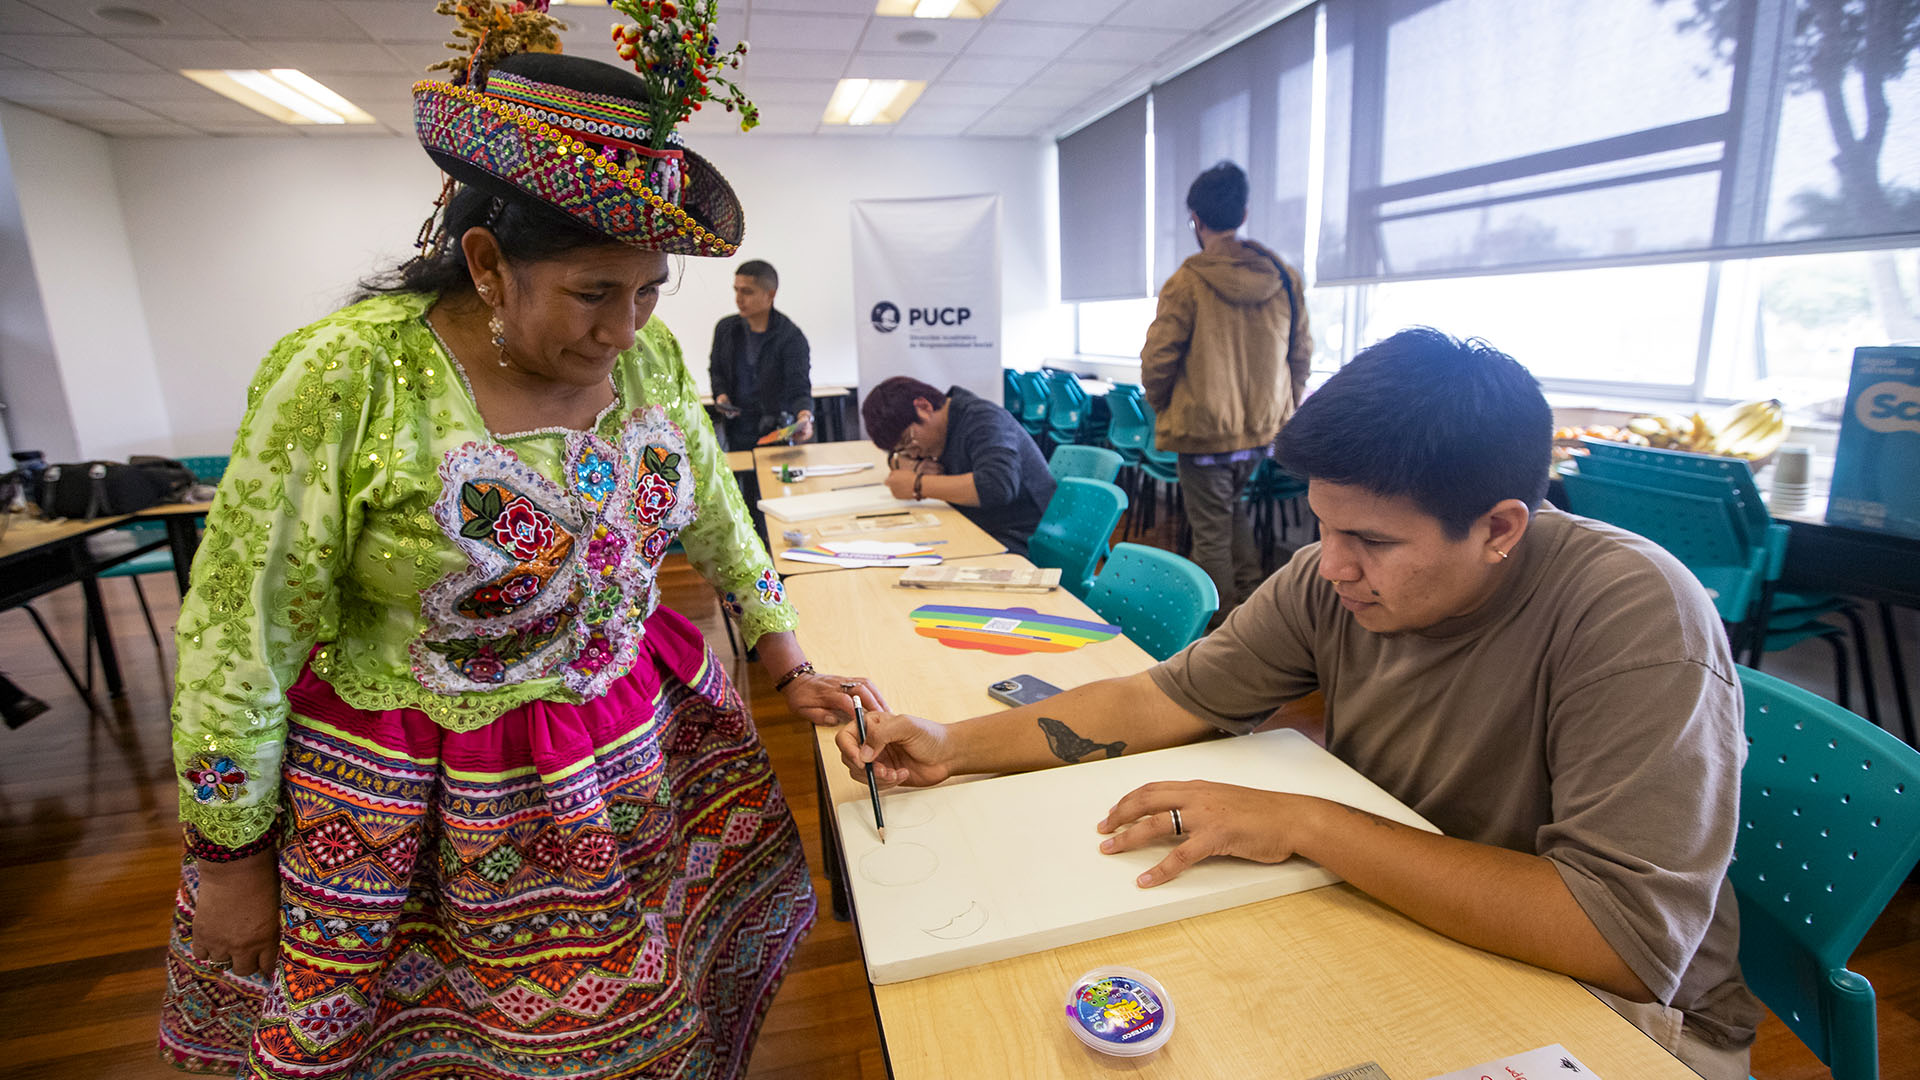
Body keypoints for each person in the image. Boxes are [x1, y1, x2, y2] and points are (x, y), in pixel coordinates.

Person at [158, 12, 885, 1079]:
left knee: (652, 1019)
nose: (625, 328)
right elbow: (241, 625)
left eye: (647, 291)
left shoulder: (646, 358)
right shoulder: (349, 376)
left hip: (636, 753)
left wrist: (785, 656)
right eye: (594, 293)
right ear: (490, 263)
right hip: (433, 802)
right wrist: (228, 856)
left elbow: (714, 514)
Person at [840, 328, 1759, 1080]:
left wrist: (1309, 824)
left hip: (1628, 1021)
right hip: (1416, 912)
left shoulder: (1634, 614)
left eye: (1371, 540)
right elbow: (1168, 694)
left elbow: (1620, 938)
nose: (1332, 565)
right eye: (1322, 526)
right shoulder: (1338, 578)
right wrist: (954, 743)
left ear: (1499, 529)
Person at [1141, 160, 1311, 624]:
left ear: (1196, 218)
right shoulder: (1284, 276)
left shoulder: (1187, 282)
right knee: (1231, 516)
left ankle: (1222, 638)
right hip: (1261, 432)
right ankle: (1254, 617)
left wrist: (1166, 405)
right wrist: (1281, 411)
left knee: (1210, 535)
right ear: (1245, 211)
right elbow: (1301, 355)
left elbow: (1157, 360)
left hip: (1203, 431)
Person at [860, 375, 1055, 556]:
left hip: (1024, 538)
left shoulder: (984, 419)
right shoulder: (934, 433)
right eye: (902, 449)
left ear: (924, 407)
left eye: (909, 440)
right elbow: (899, 458)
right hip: (981, 527)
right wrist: (907, 464)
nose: (912, 452)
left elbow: (997, 486)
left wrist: (918, 484)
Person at [709, 260, 814, 449]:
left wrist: (804, 418)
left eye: (747, 292)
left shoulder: (791, 338)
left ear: (770, 295)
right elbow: (717, 371)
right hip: (737, 429)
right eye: (736, 290)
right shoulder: (725, 329)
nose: (739, 299)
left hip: (777, 433)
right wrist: (721, 396)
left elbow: (799, 387)